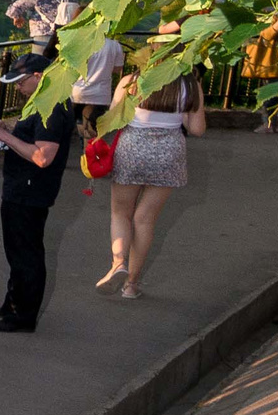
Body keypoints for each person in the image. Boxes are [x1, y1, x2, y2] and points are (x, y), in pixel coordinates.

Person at [104, 68, 207, 299]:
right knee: (145, 220)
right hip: (169, 152)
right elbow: (197, 129)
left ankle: (118, 262)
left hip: (132, 149)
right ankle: (131, 285)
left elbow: (112, 119)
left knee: (121, 213)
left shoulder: (131, 80)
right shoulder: (191, 85)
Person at [0, 92, 76, 333]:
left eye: (22, 81)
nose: (20, 87)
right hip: (23, 188)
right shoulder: (44, 103)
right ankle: (13, 305)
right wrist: (8, 129)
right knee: (18, 250)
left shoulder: (51, 108)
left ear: (38, 75)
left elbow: (43, 157)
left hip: (29, 190)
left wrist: (3, 136)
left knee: (25, 253)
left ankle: (21, 315)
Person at [3, 0, 78, 79]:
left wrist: (17, 17)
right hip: (66, 37)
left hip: (43, 39)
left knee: (40, 72)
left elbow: (13, 9)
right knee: (61, 73)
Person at [72, 24, 125, 137]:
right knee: (92, 134)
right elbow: (117, 69)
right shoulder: (114, 45)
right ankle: (88, 153)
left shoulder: (77, 44)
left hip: (76, 91)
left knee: (70, 129)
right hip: (100, 95)